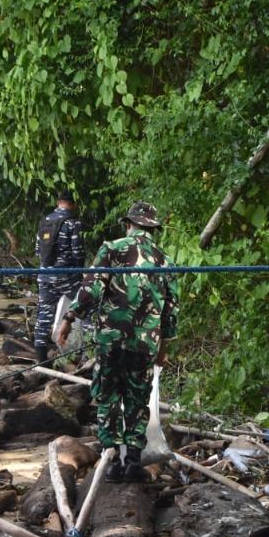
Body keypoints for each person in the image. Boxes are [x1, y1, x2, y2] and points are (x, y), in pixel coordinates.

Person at [57, 202, 178, 483]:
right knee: (137, 398)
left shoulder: (111, 248)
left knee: (109, 396)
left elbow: (92, 286)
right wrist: (164, 346)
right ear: (151, 228)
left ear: (128, 224)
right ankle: (133, 462)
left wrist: (69, 317)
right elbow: (171, 307)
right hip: (145, 343)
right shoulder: (164, 259)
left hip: (111, 340)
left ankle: (111, 459)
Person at [34, 191, 86, 363]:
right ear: (73, 205)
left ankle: (40, 360)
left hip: (45, 275)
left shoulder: (45, 221)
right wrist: (80, 273)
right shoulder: (72, 222)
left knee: (43, 316)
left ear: (58, 202)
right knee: (86, 308)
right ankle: (87, 356)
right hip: (67, 276)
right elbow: (77, 251)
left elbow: (37, 250)